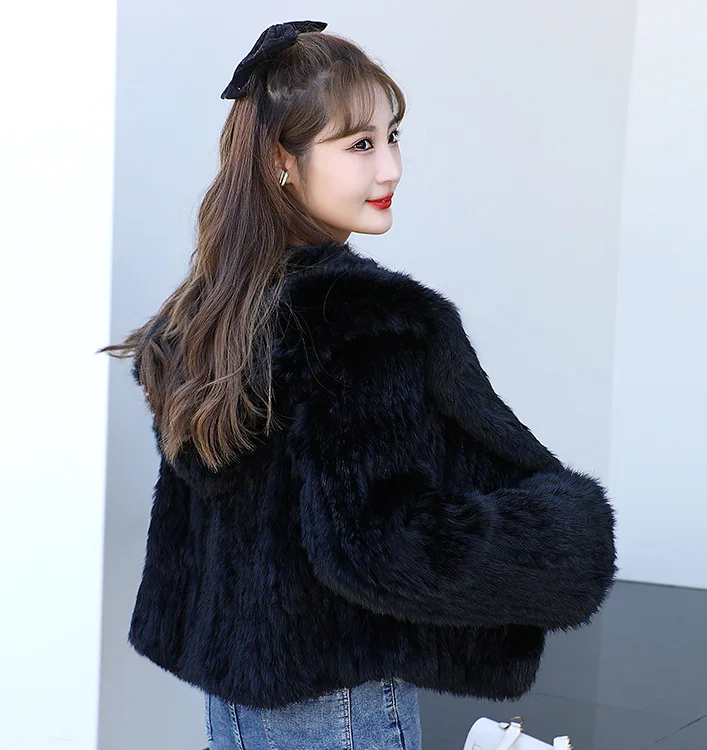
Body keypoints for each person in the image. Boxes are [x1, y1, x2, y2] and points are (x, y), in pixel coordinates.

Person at [98, 20, 618, 750]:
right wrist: (556, 537)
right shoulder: (362, 323)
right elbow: (376, 541)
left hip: (240, 706)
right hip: (339, 707)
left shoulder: (212, 315)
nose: (392, 168)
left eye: (392, 136)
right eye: (360, 145)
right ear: (283, 162)